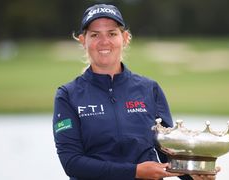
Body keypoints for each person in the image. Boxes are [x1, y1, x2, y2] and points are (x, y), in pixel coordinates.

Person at [53, 4, 219, 180]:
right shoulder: (67, 95)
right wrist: (135, 172)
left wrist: (194, 175)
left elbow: (168, 153)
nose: (104, 41)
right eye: (95, 35)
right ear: (82, 40)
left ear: (125, 38)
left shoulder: (149, 89)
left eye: (112, 33)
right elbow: (72, 163)